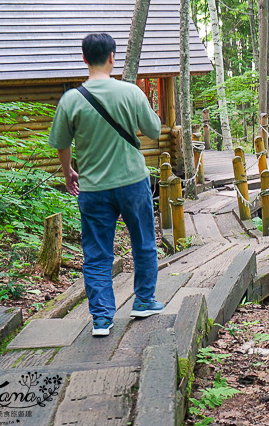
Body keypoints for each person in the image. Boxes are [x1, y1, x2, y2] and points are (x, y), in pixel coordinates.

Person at [48, 33, 165, 337]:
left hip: (93, 188)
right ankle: (144, 300)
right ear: (112, 57)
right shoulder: (131, 92)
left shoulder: (72, 99)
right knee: (143, 242)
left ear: (84, 58)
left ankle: (101, 319)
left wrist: (68, 171)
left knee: (98, 254)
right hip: (132, 182)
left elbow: (60, 142)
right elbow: (154, 130)